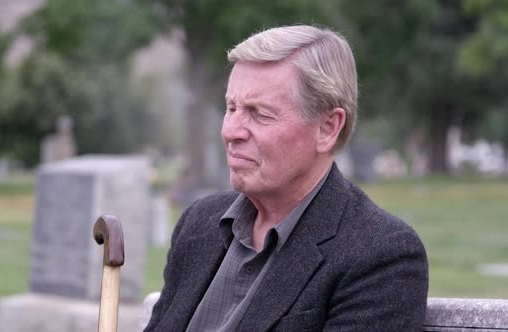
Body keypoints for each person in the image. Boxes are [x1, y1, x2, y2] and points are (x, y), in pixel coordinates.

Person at [145, 25, 428, 331]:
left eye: (259, 113)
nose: (230, 132)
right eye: (231, 108)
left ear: (328, 128)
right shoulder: (199, 225)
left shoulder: (379, 255)